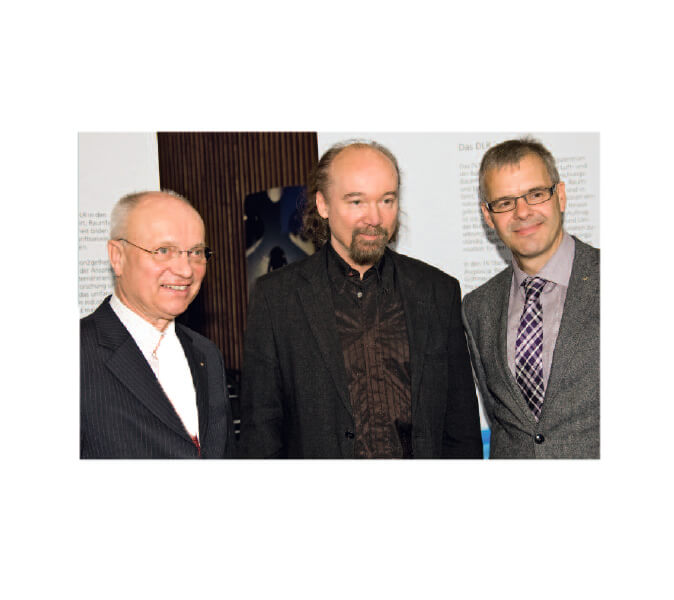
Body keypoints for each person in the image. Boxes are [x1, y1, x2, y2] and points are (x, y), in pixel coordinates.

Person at [240, 140, 482, 458]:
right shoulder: (277, 299)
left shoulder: (437, 292)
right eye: (357, 202)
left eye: (386, 200)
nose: (375, 217)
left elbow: (460, 427)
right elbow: (261, 433)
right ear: (323, 205)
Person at [462, 137, 599, 459]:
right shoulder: (477, 308)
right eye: (505, 202)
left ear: (560, 196)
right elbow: (501, 422)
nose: (522, 213)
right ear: (488, 215)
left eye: (536, 195)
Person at [80, 191, 233, 458]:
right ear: (118, 257)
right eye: (164, 251)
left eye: (196, 252)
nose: (186, 270)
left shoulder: (206, 353)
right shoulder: (78, 354)